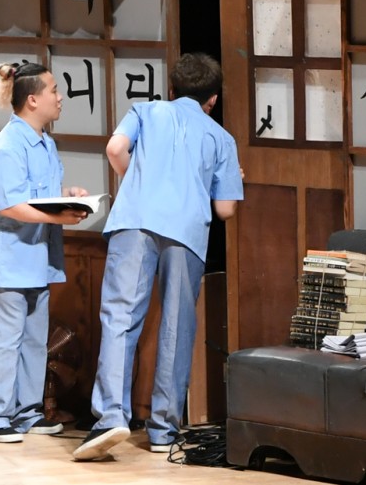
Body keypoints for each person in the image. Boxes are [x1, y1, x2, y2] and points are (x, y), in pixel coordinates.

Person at [73, 52, 242, 462]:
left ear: (171, 88)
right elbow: (225, 209)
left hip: (135, 221)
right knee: (176, 326)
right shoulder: (221, 138)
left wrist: (136, 180)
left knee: (120, 316)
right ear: (213, 99)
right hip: (186, 232)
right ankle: (164, 428)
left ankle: (111, 416)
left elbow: (115, 148)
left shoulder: (145, 111)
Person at [0, 61, 90, 443]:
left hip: (35, 262)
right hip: (4, 263)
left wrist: (67, 196)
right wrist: (59, 217)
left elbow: (37, 196)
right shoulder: (7, 146)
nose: (60, 97)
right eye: (53, 90)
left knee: (34, 343)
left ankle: (27, 412)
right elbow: (10, 205)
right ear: (33, 100)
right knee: (0, 342)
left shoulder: (45, 143)